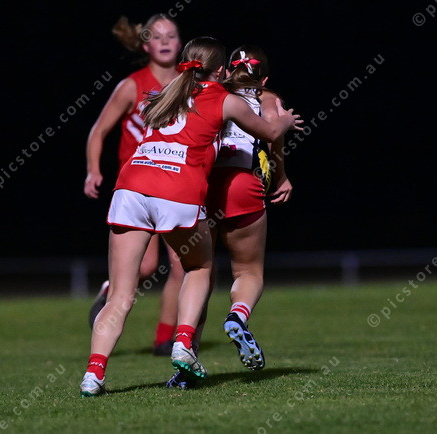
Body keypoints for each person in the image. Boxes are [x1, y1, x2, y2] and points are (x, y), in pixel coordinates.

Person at [80, 36, 302, 396]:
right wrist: (287, 120)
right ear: (220, 70)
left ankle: (93, 375)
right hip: (179, 189)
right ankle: (184, 343)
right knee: (199, 268)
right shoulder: (228, 99)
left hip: (131, 186)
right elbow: (272, 130)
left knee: (121, 295)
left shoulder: (163, 93)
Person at [166, 45, 295, 389]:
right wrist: (281, 177)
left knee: (198, 275)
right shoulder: (267, 97)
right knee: (248, 271)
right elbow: (274, 134)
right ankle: (238, 316)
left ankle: (187, 358)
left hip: (204, 185)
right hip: (243, 183)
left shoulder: (208, 92)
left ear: (226, 70)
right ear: (263, 79)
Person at [83, 14, 184, 356]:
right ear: (145, 45)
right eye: (157, 36)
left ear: (180, 42)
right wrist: (93, 170)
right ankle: (110, 288)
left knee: (182, 264)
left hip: (175, 185)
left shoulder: (187, 83)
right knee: (146, 266)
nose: (165, 41)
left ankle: (165, 339)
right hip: (138, 187)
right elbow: (98, 131)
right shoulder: (132, 86)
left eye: (171, 35)